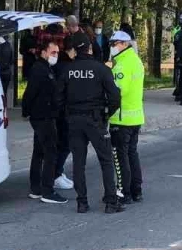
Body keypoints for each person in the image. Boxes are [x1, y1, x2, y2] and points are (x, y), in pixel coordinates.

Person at [61, 32, 122, 213]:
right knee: (105, 160)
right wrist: (105, 115)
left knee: (78, 163)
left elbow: (58, 97)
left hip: (74, 120)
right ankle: (111, 202)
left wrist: (67, 115)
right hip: (95, 120)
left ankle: (82, 202)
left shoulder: (67, 70)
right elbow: (115, 97)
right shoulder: (101, 69)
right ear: (89, 48)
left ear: (75, 50)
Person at [21, 40, 69, 204]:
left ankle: (36, 188)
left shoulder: (45, 68)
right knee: (50, 153)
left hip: (44, 116)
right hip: (43, 117)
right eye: (53, 52)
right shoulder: (40, 70)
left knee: (39, 152)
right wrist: (26, 111)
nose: (55, 55)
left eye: (56, 52)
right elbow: (30, 93)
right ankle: (47, 191)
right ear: (43, 52)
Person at [107, 30, 144, 203]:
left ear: (124, 44)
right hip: (135, 117)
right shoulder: (135, 60)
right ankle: (136, 190)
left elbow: (119, 91)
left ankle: (123, 192)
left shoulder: (122, 64)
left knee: (120, 157)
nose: (112, 47)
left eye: (114, 44)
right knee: (131, 154)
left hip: (121, 118)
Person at [171, 12, 182, 97]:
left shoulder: (177, 28)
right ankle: (181, 90)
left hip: (179, 53)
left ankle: (180, 89)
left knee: (179, 73)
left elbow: (174, 40)